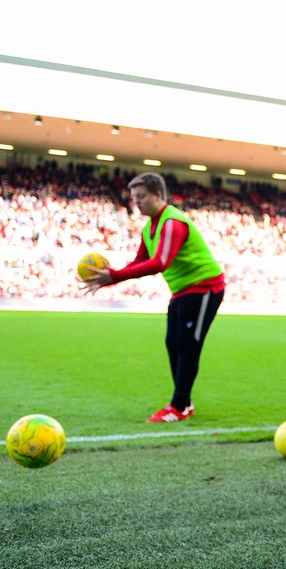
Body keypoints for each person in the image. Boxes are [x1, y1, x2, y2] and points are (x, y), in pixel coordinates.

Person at [83, 172, 226, 422]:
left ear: (158, 195)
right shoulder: (150, 227)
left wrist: (114, 276)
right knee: (173, 344)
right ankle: (184, 402)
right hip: (182, 290)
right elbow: (139, 262)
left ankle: (178, 406)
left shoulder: (172, 223)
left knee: (188, 346)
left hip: (204, 288)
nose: (136, 202)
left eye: (141, 196)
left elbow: (160, 262)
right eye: (134, 197)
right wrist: (109, 278)